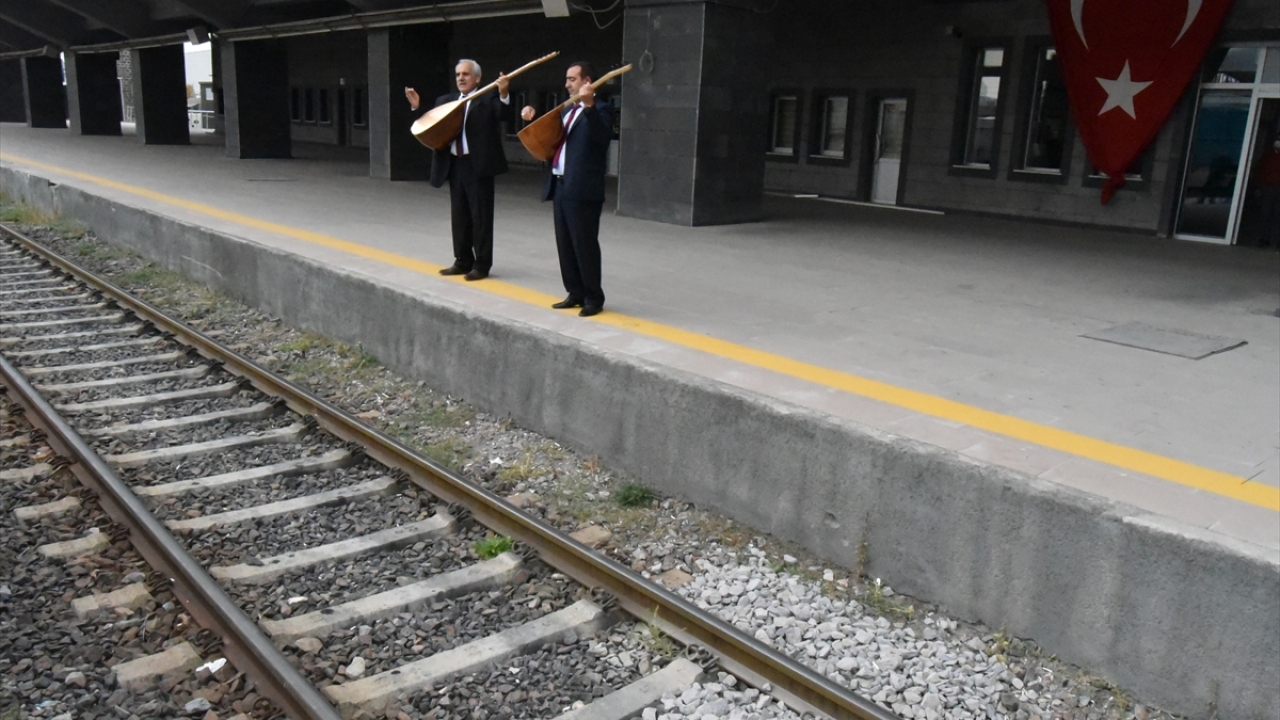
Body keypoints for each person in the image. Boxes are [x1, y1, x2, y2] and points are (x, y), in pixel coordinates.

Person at [520, 61, 615, 317]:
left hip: (583, 189)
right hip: (560, 184)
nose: (566, 84)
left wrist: (591, 106)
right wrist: (534, 117)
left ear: (587, 82)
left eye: (572, 79)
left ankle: (593, 297)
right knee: (565, 243)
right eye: (567, 79)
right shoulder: (566, 112)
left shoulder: (602, 110)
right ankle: (575, 291)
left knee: (584, 243)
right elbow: (554, 140)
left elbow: (602, 137)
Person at [406, 60, 510, 281]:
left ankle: (481, 265)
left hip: (478, 166)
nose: (461, 78)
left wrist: (503, 93)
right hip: (455, 164)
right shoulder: (445, 101)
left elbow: (503, 115)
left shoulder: (488, 98)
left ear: (478, 78)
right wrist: (417, 107)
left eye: (466, 74)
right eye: (458, 74)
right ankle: (462, 260)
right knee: (460, 215)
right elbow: (431, 123)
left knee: (480, 216)